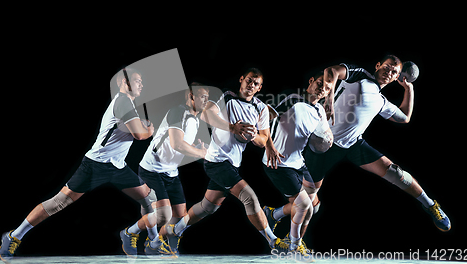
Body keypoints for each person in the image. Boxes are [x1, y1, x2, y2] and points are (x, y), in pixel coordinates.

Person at [0, 68, 158, 262]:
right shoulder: (123, 101)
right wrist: (149, 128)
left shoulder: (128, 104)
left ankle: (143, 238)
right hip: (96, 165)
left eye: (141, 81)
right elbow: (140, 135)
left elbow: (129, 129)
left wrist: (142, 125)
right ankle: (13, 236)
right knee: (59, 203)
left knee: (150, 199)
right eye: (137, 80)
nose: (141, 84)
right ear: (123, 83)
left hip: (117, 166)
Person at [304, 55, 451, 232]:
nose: (389, 72)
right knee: (309, 202)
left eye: (394, 72)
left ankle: (430, 205)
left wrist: (409, 89)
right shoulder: (359, 75)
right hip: (324, 144)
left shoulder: (381, 101)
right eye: (387, 67)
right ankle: (278, 217)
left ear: (397, 77)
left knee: (396, 173)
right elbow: (331, 71)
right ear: (378, 66)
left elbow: (405, 117)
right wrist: (328, 103)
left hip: (353, 145)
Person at [161, 68, 290, 253]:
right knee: (250, 198)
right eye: (249, 80)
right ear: (241, 79)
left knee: (207, 207)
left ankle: (174, 231)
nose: (251, 85)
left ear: (260, 87)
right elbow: (207, 114)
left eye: (256, 83)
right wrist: (232, 127)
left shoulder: (260, 107)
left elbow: (264, 139)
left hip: (233, 164)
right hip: (216, 161)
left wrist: (253, 136)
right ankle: (274, 243)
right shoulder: (226, 97)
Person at [120, 83, 210, 257]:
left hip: (171, 171)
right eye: (202, 96)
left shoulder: (195, 120)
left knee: (180, 216)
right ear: (190, 96)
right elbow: (177, 144)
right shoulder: (178, 112)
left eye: (207, 97)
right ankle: (130, 232)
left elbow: (179, 144)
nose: (206, 100)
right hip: (152, 169)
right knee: (162, 215)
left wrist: (195, 147)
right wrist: (201, 152)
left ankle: (154, 243)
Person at [262, 71, 333, 255]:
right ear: (311, 81)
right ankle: (294, 246)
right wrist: (268, 145)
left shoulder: (319, 111)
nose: (321, 89)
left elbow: (325, 137)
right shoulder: (292, 98)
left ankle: (274, 214)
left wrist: (327, 140)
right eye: (319, 83)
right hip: (278, 162)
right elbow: (264, 116)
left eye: (326, 88)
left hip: (298, 163)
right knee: (303, 205)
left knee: (313, 205)